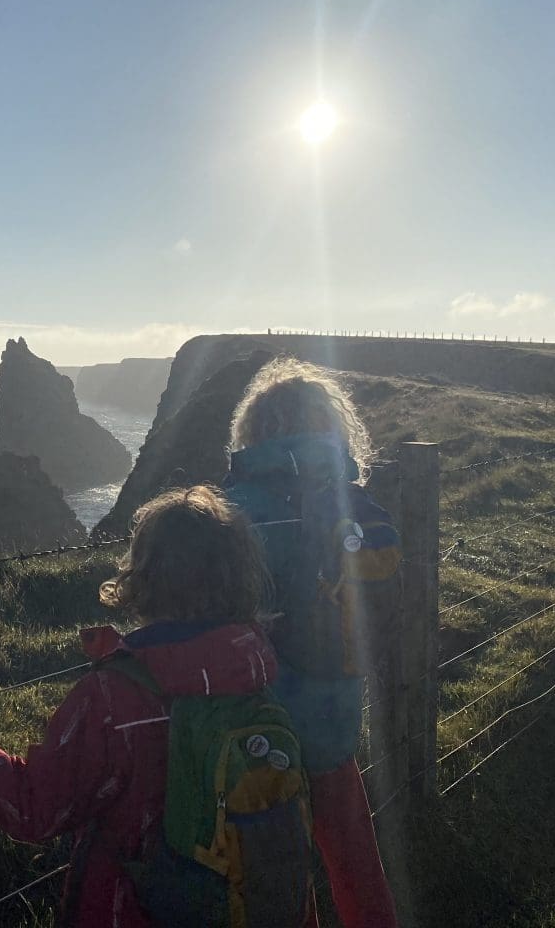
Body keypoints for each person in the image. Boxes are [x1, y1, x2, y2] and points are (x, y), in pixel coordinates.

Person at [0, 485, 305, 928]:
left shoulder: (115, 695)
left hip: (131, 909)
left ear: (142, 576)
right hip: (241, 905)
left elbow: (37, 806)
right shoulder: (255, 666)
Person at [223, 356, 401, 928]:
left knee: (278, 862)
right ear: (333, 426)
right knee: (352, 850)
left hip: (256, 721)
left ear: (254, 429)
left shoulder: (233, 512)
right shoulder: (350, 503)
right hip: (334, 710)